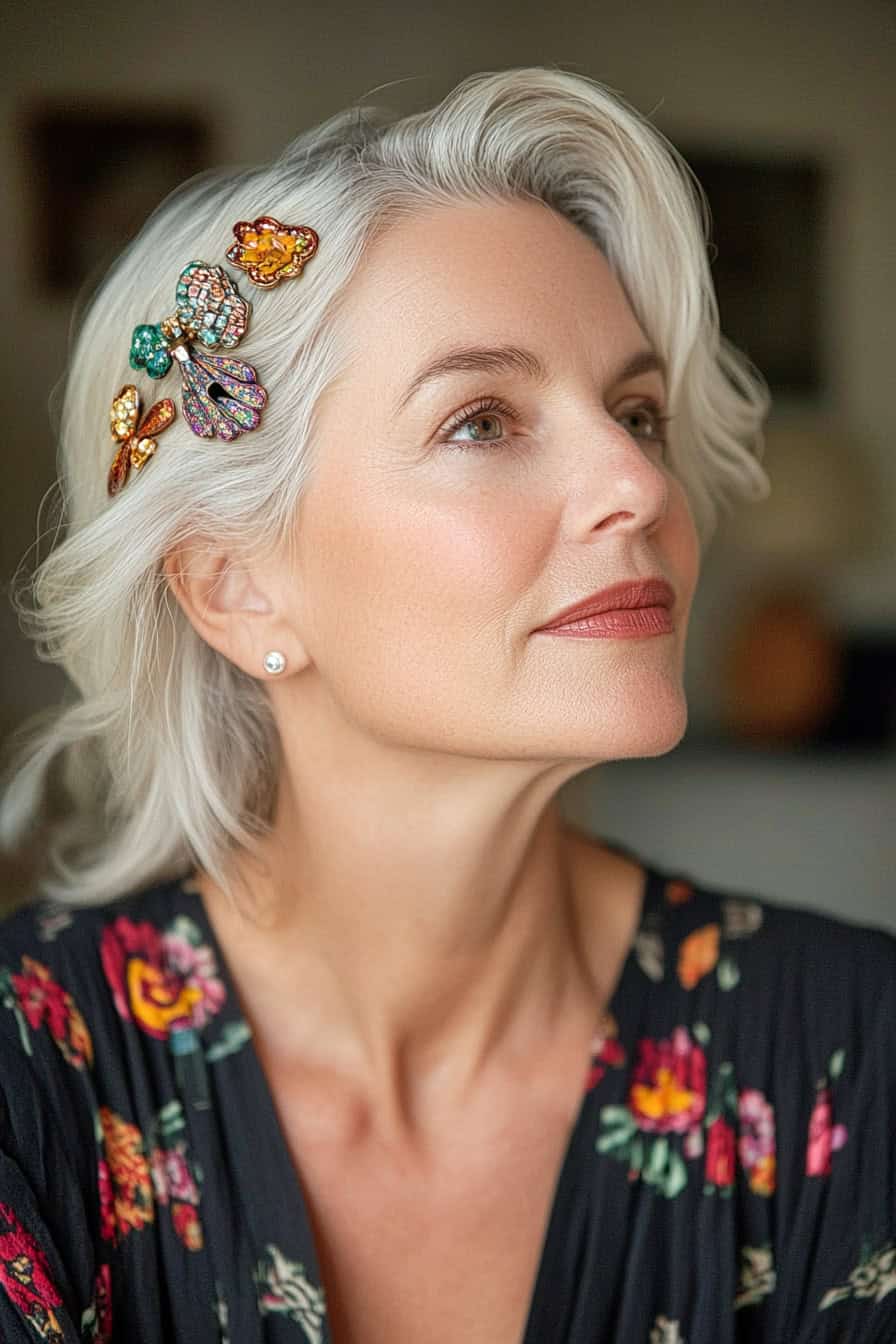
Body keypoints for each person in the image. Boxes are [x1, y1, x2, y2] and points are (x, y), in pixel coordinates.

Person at [0, 65, 892, 1344]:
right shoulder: (34, 1080)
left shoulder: (853, 1054)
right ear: (235, 587)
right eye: (481, 420)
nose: (636, 483)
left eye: (635, 411)